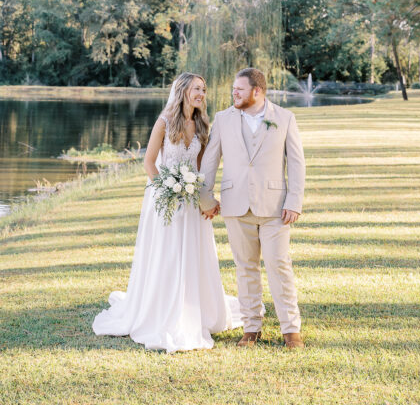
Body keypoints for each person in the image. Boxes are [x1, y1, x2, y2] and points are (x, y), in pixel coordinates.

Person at [91, 72, 242, 352]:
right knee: (167, 253)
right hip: (164, 198)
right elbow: (149, 163)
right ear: (183, 91)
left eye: (204, 89)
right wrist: (167, 189)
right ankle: (161, 309)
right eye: (197, 88)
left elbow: (200, 167)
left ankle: (194, 309)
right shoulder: (164, 122)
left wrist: (202, 196)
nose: (201, 94)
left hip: (190, 198)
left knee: (192, 253)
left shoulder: (200, 124)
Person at [198, 67, 306, 348]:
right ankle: (251, 328)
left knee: (278, 266)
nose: (234, 93)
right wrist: (205, 197)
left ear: (257, 91)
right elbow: (210, 160)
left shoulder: (284, 118)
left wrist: (294, 201)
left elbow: (296, 163)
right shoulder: (222, 119)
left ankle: (291, 330)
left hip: (275, 207)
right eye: (234, 89)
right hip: (236, 205)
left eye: (240, 89)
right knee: (245, 267)